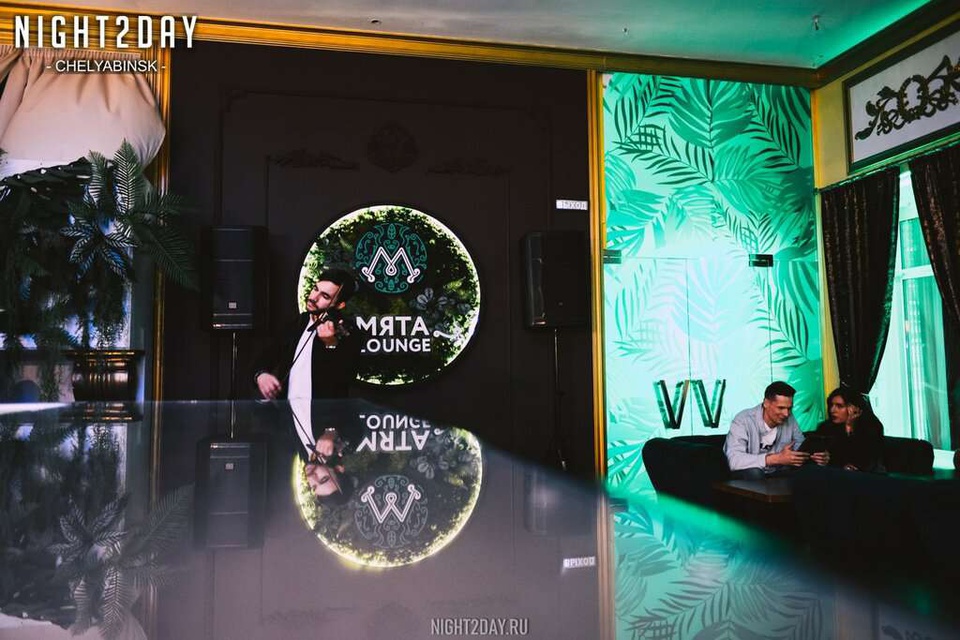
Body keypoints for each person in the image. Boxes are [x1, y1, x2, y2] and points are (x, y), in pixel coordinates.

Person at [252, 268, 363, 400]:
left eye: (325, 296)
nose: (314, 298)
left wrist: (331, 345)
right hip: (287, 410)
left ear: (340, 305)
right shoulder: (297, 323)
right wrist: (261, 375)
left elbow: (344, 379)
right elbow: (265, 358)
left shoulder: (349, 331)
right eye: (315, 289)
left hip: (324, 412)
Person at [723, 381, 829, 479]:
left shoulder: (789, 418)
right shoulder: (743, 420)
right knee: (755, 473)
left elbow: (799, 447)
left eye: (789, 408)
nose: (786, 414)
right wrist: (776, 459)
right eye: (781, 408)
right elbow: (734, 460)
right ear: (766, 403)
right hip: (750, 475)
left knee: (812, 471)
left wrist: (816, 457)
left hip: (778, 473)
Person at [814, 387, 885, 472]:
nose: (832, 410)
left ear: (855, 409)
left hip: (867, 474)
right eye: (831, 405)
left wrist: (849, 428)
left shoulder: (872, 427)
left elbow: (865, 459)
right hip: (835, 474)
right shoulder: (826, 427)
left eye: (839, 406)